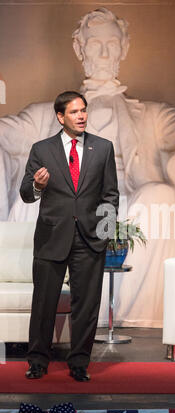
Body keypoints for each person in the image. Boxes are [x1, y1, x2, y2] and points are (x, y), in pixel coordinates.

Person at [0, 8, 175, 329]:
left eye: (112, 43)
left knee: (159, 196)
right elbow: (6, 132)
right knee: (46, 205)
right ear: (80, 49)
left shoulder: (148, 115)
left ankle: (127, 318)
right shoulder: (43, 116)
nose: (104, 53)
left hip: (129, 205)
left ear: (124, 48)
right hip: (68, 206)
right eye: (95, 43)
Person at [20, 90, 119, 381]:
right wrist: (37, 186)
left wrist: (103, 235)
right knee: (44, 303)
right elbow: (26, 194)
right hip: (52, 238)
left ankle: (79, 363)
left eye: (84, 111)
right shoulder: (42, 149)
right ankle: (38, 361)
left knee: (86, 306)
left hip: (89, 239)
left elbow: (110, 195)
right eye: (75, 112)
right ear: (60, 116)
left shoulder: (103, 148)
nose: (82, 116)